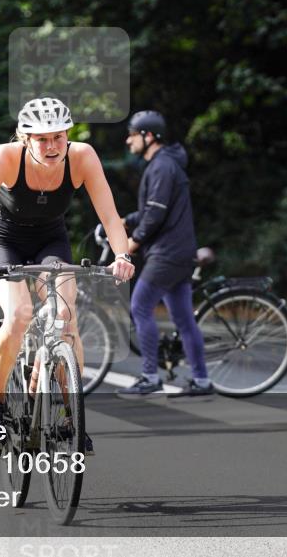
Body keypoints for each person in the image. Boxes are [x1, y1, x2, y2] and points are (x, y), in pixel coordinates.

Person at [0, 97, 136, 449]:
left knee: (65, 317)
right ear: (25, 139)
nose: (52, 146)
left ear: (68, 135)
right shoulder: (6, 157)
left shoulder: (83, 156)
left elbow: (110, 217)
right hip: (2, 239)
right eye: (42, 139)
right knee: (19, 313)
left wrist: (121, 255)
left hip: (49, 240)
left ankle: (72, 416)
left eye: (58, 137)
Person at [118, 110, 214, 397]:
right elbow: (153, 209)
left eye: (133, 135)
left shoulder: (162, 167)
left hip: (167, 253)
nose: (128, 140)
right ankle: (202, 381)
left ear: (148, 136)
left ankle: (149, 376)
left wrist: (132, 242)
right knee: (184, 318)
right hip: (177, 251)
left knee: (139, 306)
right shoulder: (164, 165)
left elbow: (156, 215)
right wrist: (126, 221)